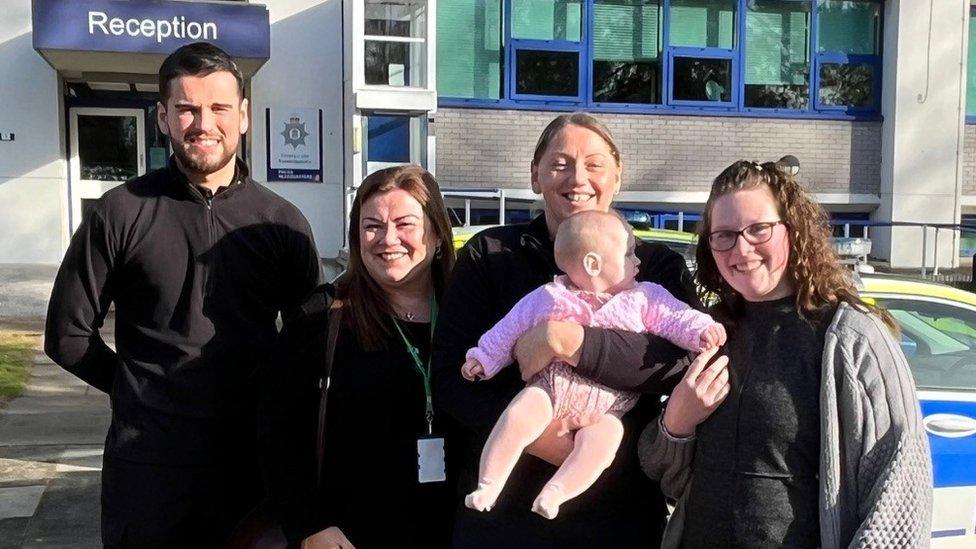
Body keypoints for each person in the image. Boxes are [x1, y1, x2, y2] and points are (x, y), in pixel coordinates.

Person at [44, 42, 322, 546]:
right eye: (187, 108)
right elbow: (67, 335)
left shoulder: (282, 223)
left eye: (218, 108)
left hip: (251, 465)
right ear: (163, 118)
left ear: (242, 117)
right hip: (148, 467)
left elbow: (310, 343)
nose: (203, 123)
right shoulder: (120, 211)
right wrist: (139, 392)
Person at [432, 112, 700, 547]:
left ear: (617, 176)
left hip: (618, 514)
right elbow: (450, 377)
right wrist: (544, 436)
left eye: (594, 164)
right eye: (560, 163)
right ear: (535, 175)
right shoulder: (491, 255)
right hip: (503, 521)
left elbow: (681, 363)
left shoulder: (654, 266)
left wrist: (569, 341)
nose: (578, 178)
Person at [639, 160, 933, 547]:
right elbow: (666, 475)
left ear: (792, 230)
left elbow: (899, 499)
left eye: (758, 228)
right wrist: (676, 424)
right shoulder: (707, 333)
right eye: (723, 235)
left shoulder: (850, 339)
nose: (741, 249)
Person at [461, 210, 724, 520]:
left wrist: (701, 330)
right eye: (628, 254)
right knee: (519, 415)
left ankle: (556, 492)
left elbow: (676, 317)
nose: (638, 262)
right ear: (593, 264)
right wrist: (484, 356)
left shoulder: (645, 297)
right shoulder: (551, 296)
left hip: (606, 409)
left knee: (605, 440)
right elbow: (510, 328)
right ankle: (489, 484)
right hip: (550, 389)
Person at [259, 165, 458, 548]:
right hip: (349, 535)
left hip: (457, 531)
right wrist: (309, 525)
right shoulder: (323, 316)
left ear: (435, 235)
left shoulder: (469, 316)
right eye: (372, 226)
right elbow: (276, 429)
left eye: (405, 224)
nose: (388, 239)